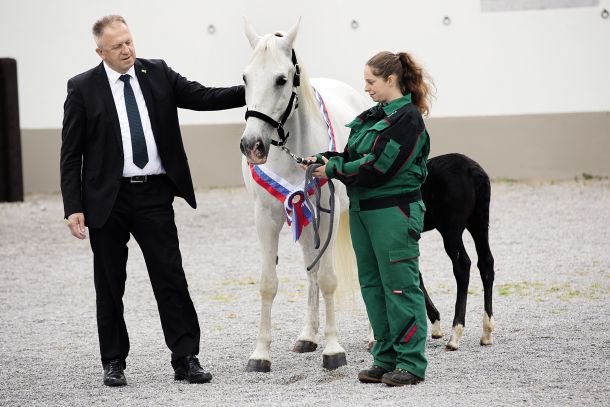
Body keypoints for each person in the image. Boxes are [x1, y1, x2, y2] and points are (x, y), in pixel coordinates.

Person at [60, 15, 245, 387]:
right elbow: (71, 152)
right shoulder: (82, 88)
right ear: (100, 51)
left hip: (153, 194)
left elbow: (204, 96)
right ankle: (113, 361)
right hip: (106, 200)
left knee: (170, 276)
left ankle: (186, 358)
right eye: (118, 46)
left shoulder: (157, 72)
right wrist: (73, 205)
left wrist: (255, 86)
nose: (127, 50)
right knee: (110, 283)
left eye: (129, 41)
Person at [305, 51, 432, 386]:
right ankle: (385, 357)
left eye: (371, 81)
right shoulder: (373, 116)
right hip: (363, 210)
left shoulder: (407, 119)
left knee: (400, 286)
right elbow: (353, 156)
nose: (366, 88)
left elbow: (377, 168)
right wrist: (326, 158)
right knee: (373, 286)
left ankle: (411, 362)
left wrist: (331, 169)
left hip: (393, 212)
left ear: (391, 79)